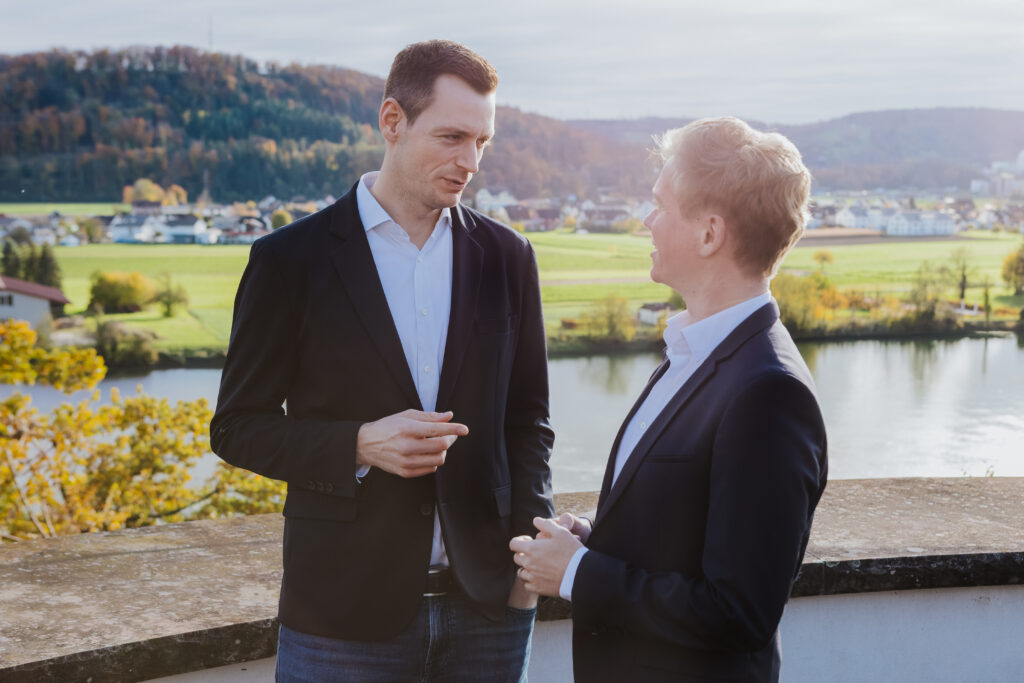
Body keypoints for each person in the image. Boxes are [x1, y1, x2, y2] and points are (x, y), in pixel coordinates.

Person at [211, 39, 554, 682]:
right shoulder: (289, 261)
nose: (470, 162)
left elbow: (528, 421)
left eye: (482, 142)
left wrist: (525, 570)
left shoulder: (510, 257)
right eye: (453, 137)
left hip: (488, 612)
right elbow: (236, 427)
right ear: (392, 121)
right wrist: (360, 446)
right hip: (339, 615)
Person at [511, 116, 828, 682]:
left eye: (660, 205)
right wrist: (598, 537)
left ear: (710, 234)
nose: (646, 220)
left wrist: (579, 573)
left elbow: (739, 613)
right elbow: (681, 525)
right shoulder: (694, 351)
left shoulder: (768, 393)